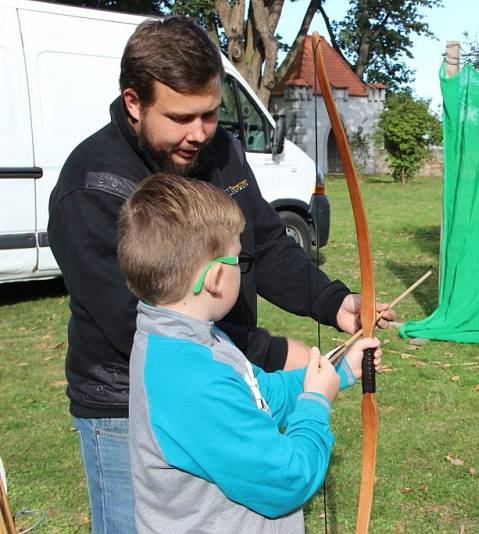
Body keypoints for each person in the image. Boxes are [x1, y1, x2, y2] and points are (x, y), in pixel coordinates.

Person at [47, 15, 393, 533]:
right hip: (125, 404)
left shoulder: (217, 149)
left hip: (226, 371)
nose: (199, 134)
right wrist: (273, 354)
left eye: (210, 114)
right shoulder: (94, 186)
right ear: (134, 102)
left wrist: (332, 302)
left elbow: (267, 242)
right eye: (182, 117)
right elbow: (141, 319)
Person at [118, 173, 380, 533]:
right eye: (239, 261)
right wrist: (315, 405)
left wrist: (341, 372)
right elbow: (287, 479)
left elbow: (260, 395)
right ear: (213, 279)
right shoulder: (192, 379)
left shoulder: (197, 343)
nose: (243, 269)